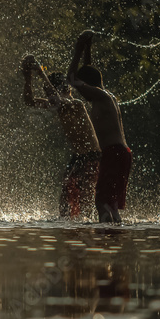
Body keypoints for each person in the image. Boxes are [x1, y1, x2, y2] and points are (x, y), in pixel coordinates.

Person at [22, 55, 101, 219]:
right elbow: (30, 101)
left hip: (91, 156)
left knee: (85, 200)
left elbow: (56, 99)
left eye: (49, 91)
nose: (48, 97)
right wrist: (27, 77)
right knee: (65, 200)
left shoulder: (75, 104)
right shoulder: (58, 104)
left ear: (66, 89)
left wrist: (40, 72)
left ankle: (92, 229)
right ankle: (68, 227)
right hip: (79, 157)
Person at [67, 31, 132, 223]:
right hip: (122, 153)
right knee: (110, 204)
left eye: (82, 87)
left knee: (101, 203)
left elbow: (71, 79)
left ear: (87, 84)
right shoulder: (106, 96)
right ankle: (114, 241)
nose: (80, 92)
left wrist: (77, 50)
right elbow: (89, 71)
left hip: (113, 153)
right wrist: (88, 48)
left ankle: (104, 242)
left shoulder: (100, 96)